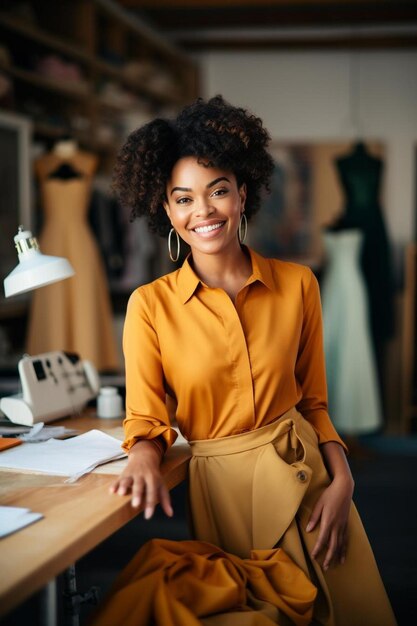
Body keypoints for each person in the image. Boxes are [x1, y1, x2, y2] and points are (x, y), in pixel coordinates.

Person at [102, 96, 396, 626]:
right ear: (166, 210)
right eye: (183, 198)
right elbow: (145, 417)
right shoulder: (148, 306)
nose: (203, 212)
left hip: (315, 483)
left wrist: (344, 477)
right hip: (227, 496)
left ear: (242, 193)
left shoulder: (298, 284)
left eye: (217, 191)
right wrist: (143, 455)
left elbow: (314, 401)